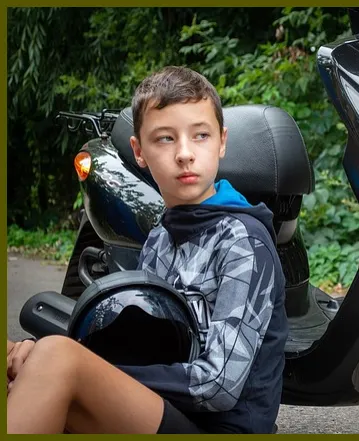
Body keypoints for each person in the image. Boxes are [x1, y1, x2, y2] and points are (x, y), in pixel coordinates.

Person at [6, 66, 288, 434]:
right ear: (139, 151)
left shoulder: (242, 241)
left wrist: (85, 365)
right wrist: (39, 356)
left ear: (221, 142)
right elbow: (146, 345)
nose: (184, 154)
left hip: (221, 427)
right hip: (168, 411)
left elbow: (217, 386)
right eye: (165, 139)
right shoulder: (160, 236)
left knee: (57, 358)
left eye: (200, 135)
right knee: (18, 356)